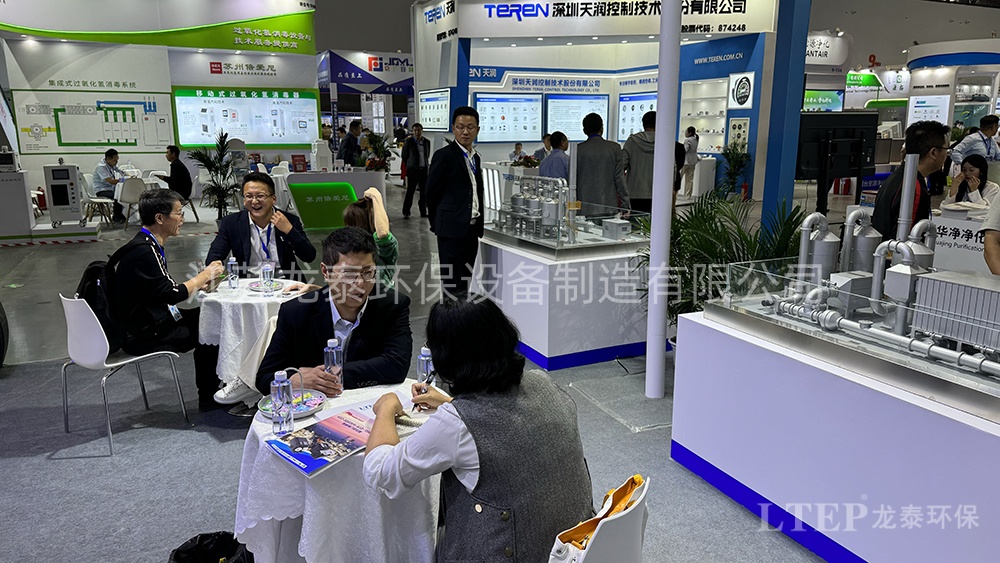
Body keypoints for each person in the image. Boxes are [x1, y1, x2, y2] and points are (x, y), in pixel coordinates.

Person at [363, 296, 594, 563]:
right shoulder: (544, 383)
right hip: (576, 548)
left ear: (446, 357)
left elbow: (381, 473)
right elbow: (506, 422)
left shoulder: (456, 424)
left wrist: (385, 409)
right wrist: (452, 403)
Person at [253, 226, 412, 396]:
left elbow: (397, 365)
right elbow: (264, 377)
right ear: (326, 272)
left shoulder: (392, 305)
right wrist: (293, 380)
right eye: (349, 274)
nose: (360, 283)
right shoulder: (296, 312)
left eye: (368, 272)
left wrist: (331, 376)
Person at [113, 189, 225, 410]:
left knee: (212, 315)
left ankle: (217, 388)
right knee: (212, 324)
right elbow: (172, 294)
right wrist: (205, 275)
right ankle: (209, 395)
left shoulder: (147, 244)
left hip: (152, 319)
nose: (182, 219)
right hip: (143, 333)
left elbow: (164, 289)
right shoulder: (144, 251)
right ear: (160, 218)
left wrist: (197, 284)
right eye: (179, 213)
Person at [206, 171, 316, 280]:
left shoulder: (289, 220)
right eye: (249, 196)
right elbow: (214, 255)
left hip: (284, 281)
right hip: (248, 283)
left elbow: (309, 256)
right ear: (244, 200)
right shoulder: (231, 223)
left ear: (273, 199)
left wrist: (289, 231)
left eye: (260, 196)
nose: (254, 201)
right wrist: (216, 265)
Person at [426, 106, 485, 296]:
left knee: (466, 281)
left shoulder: (475, 158)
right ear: (453, 128)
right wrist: (438, 223)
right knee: (452, 285)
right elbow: (431, 193)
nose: (465, 132)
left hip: (471, 229)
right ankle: (450, 316)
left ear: (477, 129)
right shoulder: (444, 156)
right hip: (450, 230)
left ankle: (462, 315)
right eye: (460, 127)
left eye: (470, 127)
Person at [872, 120, 951, 241]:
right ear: (933, 152)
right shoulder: (912, 187)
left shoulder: (900, 176)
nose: (947, 155)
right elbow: (907, 238)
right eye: (947, 150)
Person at [343, 187, 399, 288]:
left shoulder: (383, 249)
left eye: (350, 224)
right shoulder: (350, 247)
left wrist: (376, 197)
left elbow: (383, 234)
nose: (347, 228)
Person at [575, 113, 629, 217]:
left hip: (584, 208)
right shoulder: (614, 148)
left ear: (584, 130)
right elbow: (619, 178)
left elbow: (573, 181)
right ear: (602, 128)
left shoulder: (578, 150)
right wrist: (625, 205)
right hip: (608, 206)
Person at [622, 111, 657, 213]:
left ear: (643, 124)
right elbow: (672, 170)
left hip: (635, 192)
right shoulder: (664, 141)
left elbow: (622, 164)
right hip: (658, 193)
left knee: (635, 221)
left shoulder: (632, 141)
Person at [401, 123, 431, 219]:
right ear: (413, 131)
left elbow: (427, 155)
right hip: (413, 171)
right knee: (410, 191)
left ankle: (423, 211)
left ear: (422, 131)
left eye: (418, 130)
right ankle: (406, 212)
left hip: (423, 170)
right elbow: (404, 156)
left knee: (424, 192)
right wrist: (410, 165)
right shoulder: (408, 142)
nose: (417, 132)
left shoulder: (426, 142)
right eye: (415, 131)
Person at [93, 148, 127, 223]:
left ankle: (118, 215)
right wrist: (124, 180)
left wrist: (129, 176)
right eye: (115, 160)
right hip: (102, 190)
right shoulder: (101, 167)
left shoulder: (111, 164)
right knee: (118, 196)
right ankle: (117, 217)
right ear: (108, 159)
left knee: (122, 194)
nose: (116, 162)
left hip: (110, 189)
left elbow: (120, 171)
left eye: (117, 160)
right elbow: (111, 181)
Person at [680, 127, 700, 197]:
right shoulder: (695, 140)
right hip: (693, 161)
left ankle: (674, 194)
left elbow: (685, 150)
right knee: (690, 179)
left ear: (690, 133)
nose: (685, 133)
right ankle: (688, 195)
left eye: (686, 131)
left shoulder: (687, 140)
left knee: (679, 178)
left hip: (685, 161)